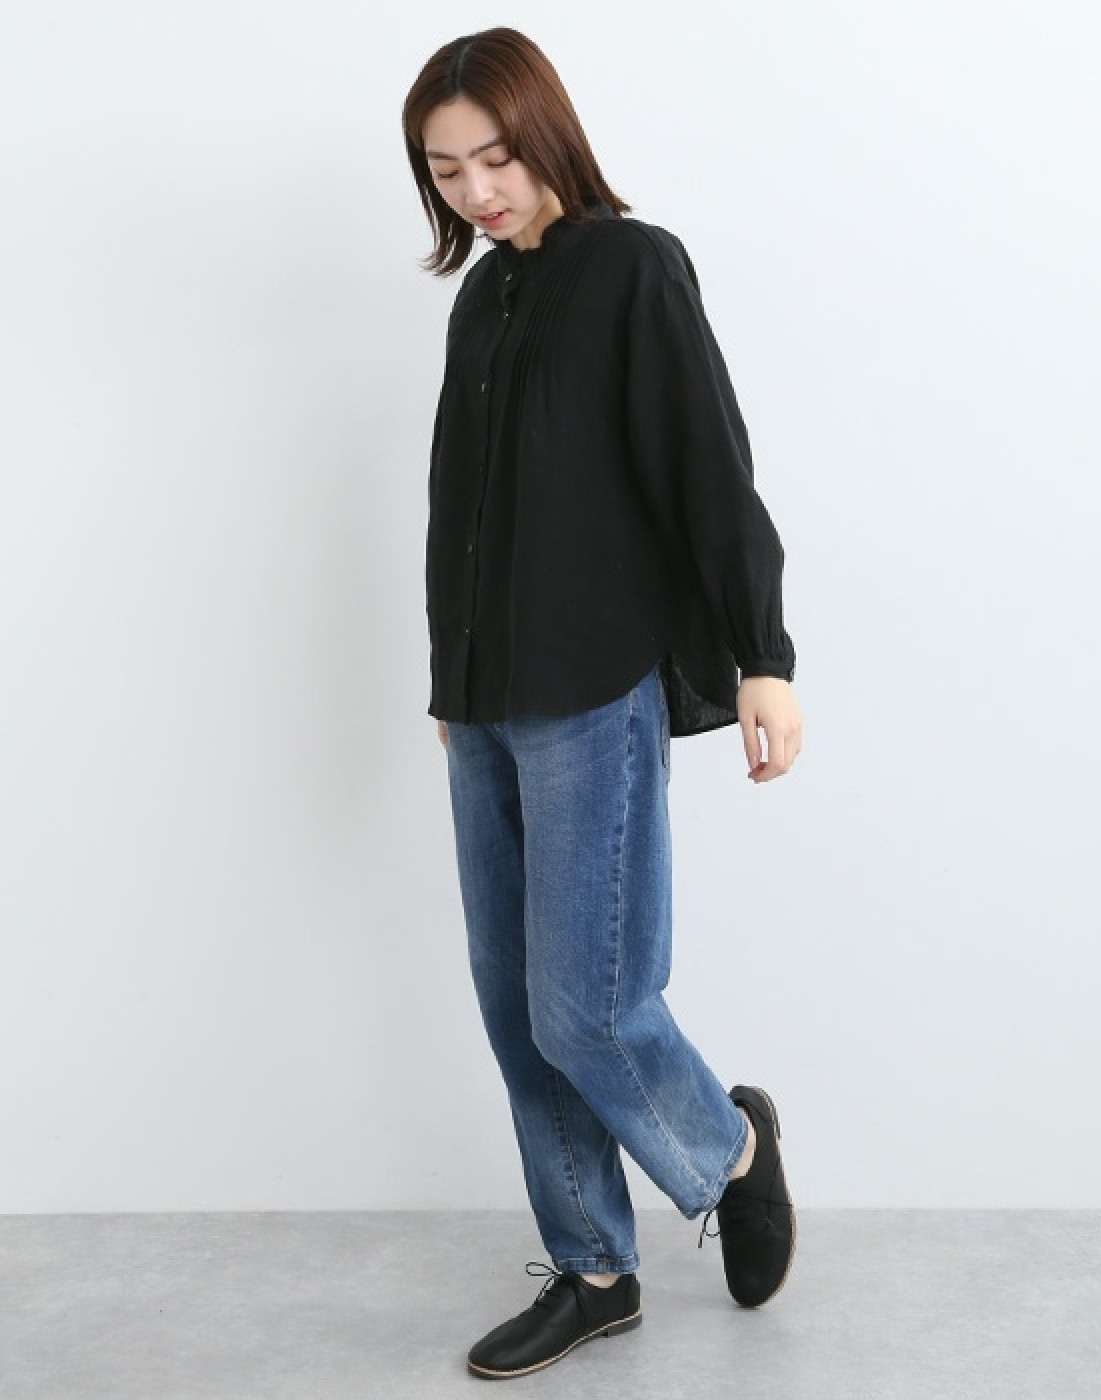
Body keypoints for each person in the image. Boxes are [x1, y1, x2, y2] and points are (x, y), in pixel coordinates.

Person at [401, 27, 804, 1381]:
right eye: (445, 170)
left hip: (589, 693)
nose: (475, 190)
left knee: (589, 1007)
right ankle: (592, 1268)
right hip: (483, 703)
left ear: (547, 136)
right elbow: (459, 504)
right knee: (517, 1011)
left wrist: (761, 654)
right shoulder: (480, 299)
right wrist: (452, 675)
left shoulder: (634, 267)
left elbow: (707, 467)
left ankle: (729, 1149)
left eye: (495, 157)